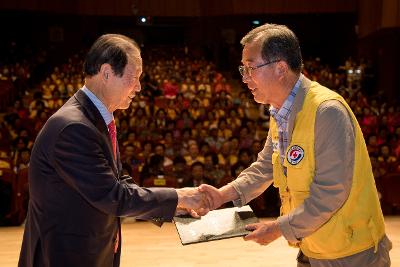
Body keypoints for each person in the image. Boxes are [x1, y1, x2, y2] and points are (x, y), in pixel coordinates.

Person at [200, 23, 392, 266]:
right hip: (313, 246)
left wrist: (278, 228)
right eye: (243, 69)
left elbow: (330, 193)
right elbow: (265, 167)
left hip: (350, 252)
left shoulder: (327, 111)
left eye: (251, 68)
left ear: (281, 68)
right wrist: (222, 195)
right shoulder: (280, 111)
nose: (245, 78)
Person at [18, 34, 210, 267]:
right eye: (134, 78)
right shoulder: (74, 127)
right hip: (65, 254)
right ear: (107, 73)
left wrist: (173, 208)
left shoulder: (95, 117)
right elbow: (112, 196)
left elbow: (119, 182)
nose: (139, 87)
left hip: (87, 249)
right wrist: (179, 196)